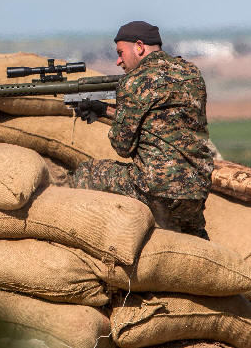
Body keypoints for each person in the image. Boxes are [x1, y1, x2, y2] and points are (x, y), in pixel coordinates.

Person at [71, 21, 214, 239]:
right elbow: (162, 120)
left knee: (86, 173)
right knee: (194, 237)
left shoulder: (134, 81)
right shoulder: (191, 73)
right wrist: (104, 110)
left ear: (139, 46)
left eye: (120, 53)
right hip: (196, 188)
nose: (118, 61)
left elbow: (123, 146)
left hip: (155, 187)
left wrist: (116, 117)